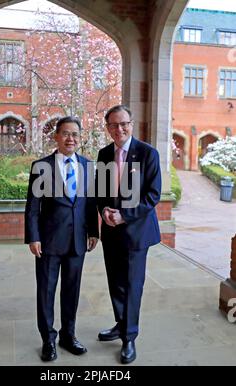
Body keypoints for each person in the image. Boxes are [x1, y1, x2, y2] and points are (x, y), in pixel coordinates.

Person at [25, 116, 99, 362]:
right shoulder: (41, 166)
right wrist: (33, 237)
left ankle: (68, 335)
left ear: (80, 138)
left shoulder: (88, 166)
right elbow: (33, 207)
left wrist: (94, 231)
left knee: (72, 291)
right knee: (46, 291)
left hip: (77, 241)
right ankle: (48, 339)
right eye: (66, 133)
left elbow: (90, 204)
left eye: (75, 134)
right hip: (48, 242)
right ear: (56, 137)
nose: (71, 138)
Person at [96, 105, 161, 364]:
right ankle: (121, 323)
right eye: (113, 125)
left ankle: (130, 337)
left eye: (124, 124)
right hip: (111, 231)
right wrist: (104, 213)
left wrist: (124, 215)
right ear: (108, 128)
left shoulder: (147, 153)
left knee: (133, 285)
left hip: (136, 232)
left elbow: (152, 196)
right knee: (115, 281)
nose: (119, 129)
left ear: (131, 124)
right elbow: (100, 193)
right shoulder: (103, 154)